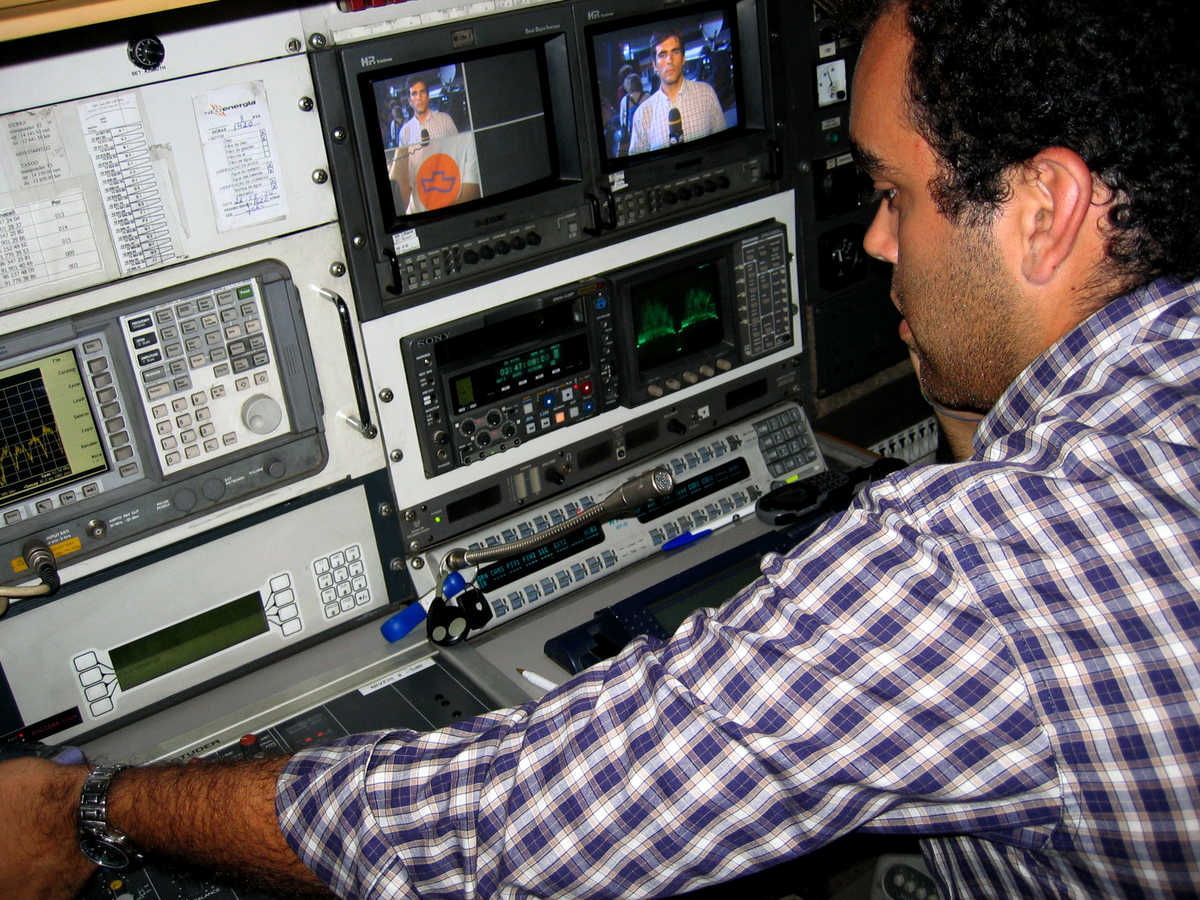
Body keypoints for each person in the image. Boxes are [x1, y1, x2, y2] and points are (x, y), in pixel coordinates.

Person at [3, 0, 1199, 897]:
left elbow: (498, 832)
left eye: (894, 192)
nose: (879, 241)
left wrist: (88, 811)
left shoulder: (979, 577)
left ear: (1047, 210)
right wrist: (970, 359)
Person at [387, 74, 480, 213]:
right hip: (422, 203)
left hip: (449, 192)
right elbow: (404, 172)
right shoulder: (405, 131)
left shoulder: (445, 120)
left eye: (422, 92)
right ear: (410, 100)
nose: (419, 97)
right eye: (414, 94)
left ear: (428, 96)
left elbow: (460, 154)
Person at [627, 30, 727, 154]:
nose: (670, 60)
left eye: (675, 52)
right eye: (662, 55)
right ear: (654, 65)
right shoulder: (642, 115)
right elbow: (638, 164)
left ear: (683, 59)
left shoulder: (706, 94)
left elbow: (723, 147)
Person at [614, 71, 647, 157]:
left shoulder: (624, 100)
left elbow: (622, 121)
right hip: (646, 132)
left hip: (631, 136)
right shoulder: (647, 97)